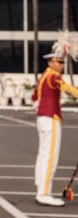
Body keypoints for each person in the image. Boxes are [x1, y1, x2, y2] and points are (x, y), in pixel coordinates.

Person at [32, 35, 78, 207]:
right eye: (59, 62)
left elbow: (34, 96)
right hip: (50, 118)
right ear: (50, 62)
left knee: (44, 155)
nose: (61, 65)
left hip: (43, 117)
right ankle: (44, 193)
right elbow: (67, 89)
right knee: (50, 156)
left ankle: (41, 189)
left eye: (62, 62)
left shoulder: (43, 76)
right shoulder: (53, 76)